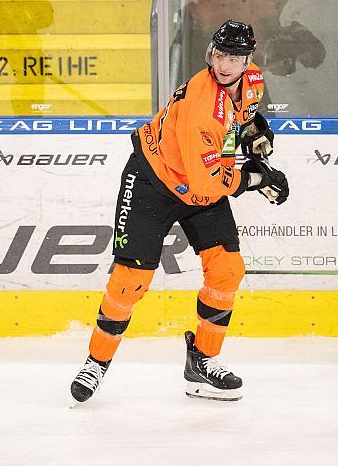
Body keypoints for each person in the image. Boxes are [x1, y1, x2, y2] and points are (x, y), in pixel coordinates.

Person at [70, 20, 289, 404]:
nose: (224, 65)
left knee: (227, 270)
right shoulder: (200, 106)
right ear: (211, 53)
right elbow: (207, 183)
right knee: (129, 280)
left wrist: (256, 134)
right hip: (153, 181)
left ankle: (201, 363)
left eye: (234, 58)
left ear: (248, 61)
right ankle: (96, 361)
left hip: (200, 178)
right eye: (220, 55)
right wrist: (255, 179)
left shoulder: (252, 81)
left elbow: (245, 117)